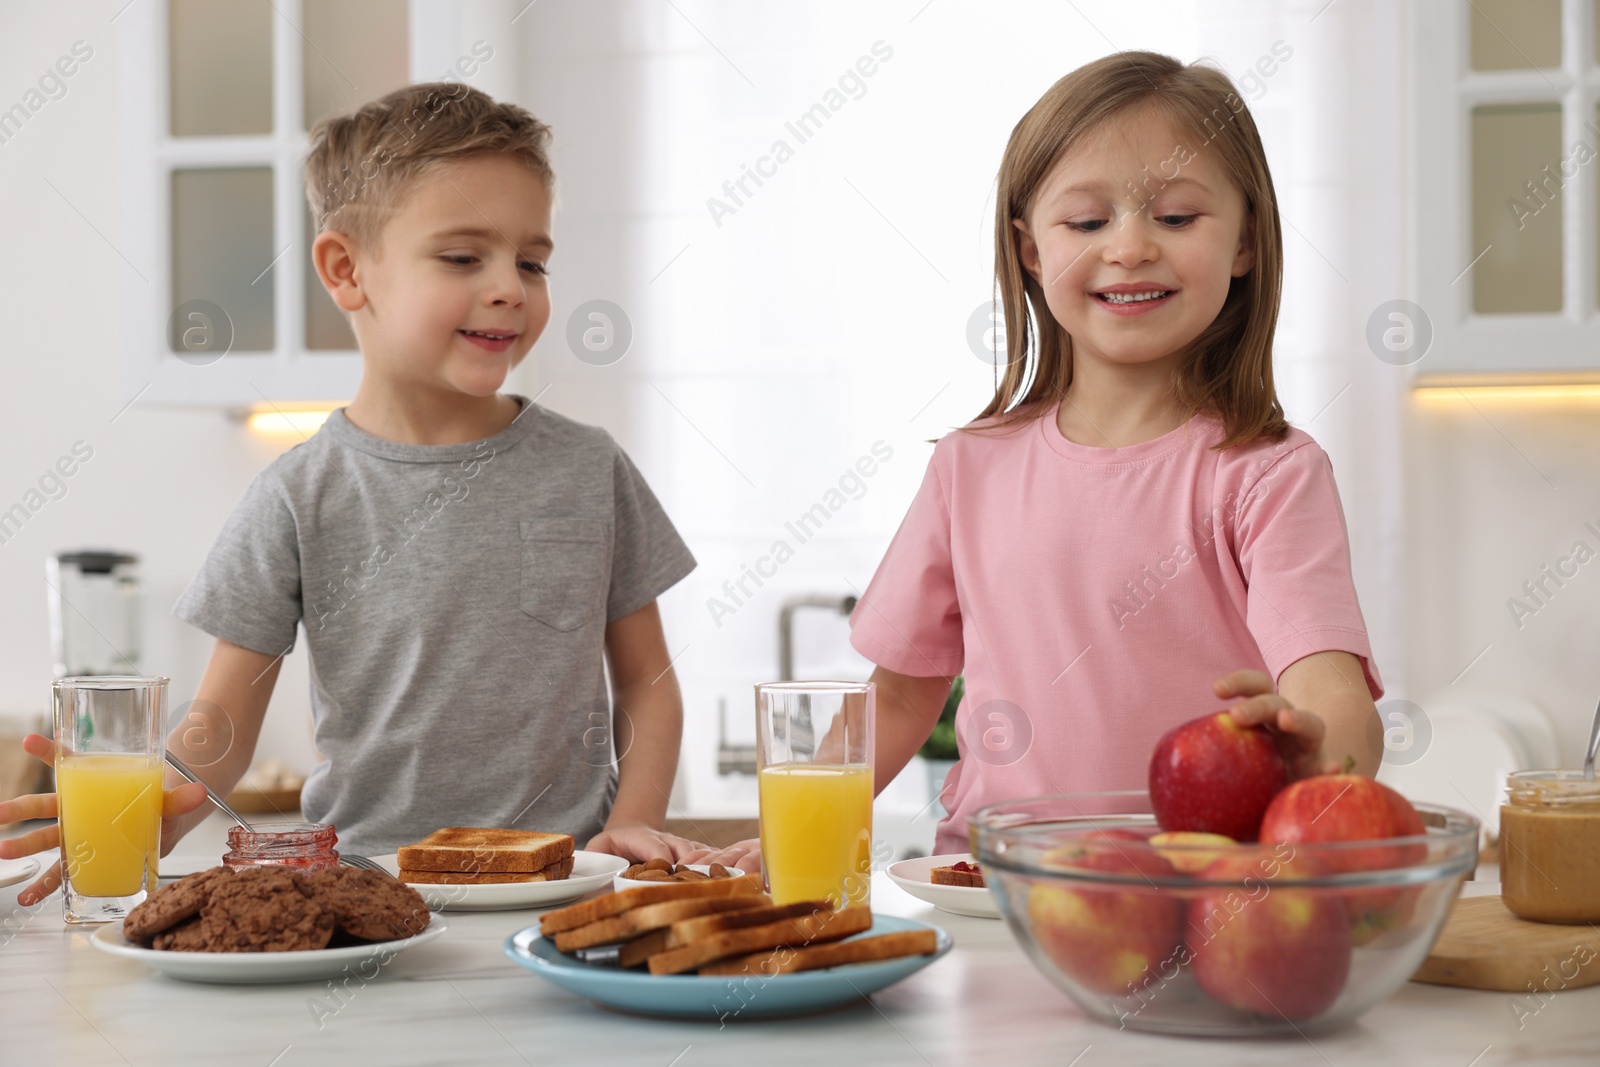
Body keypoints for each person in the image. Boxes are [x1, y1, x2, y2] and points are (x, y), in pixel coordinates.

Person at [2, 83, 705, 905]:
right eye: (462, 257)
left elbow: (649, 687)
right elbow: (221, 728)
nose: (511, 286)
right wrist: (151, 796)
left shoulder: (590, 469)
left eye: (532, 260)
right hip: (367, 898)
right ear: (346, 270)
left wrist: (634, 820)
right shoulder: (299, 495)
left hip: (564, 890)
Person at [694, 51, 1382, 871]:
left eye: (1176, 217)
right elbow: (901, 692)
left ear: (1244, 243)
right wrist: (786, 836)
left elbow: (1330, 689)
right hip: (993, 886)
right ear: (1029, 250)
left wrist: (1321, 758)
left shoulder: (1269, 474)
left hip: (1192, 898)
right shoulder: (968, 468)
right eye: (1088, 222)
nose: (1129, 248)